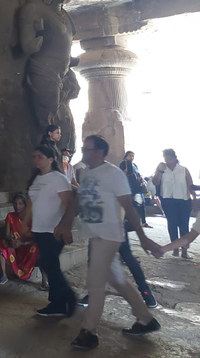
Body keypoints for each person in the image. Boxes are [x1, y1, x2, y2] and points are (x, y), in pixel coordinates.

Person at [57, 135, 162, 350]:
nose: (83, 153)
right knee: (117, 280)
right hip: (96, 235)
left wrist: (142, 237)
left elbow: (129, 207)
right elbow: (78, 201)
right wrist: (65, 223)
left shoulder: (114, 174)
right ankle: (146, 319)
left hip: (110, 235)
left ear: (99, 152)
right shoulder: (85, 174)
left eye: (87, 149)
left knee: (95, 283)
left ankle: (88, 332)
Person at [24, 145, 76, 317]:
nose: (36, 159)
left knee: (49, 264)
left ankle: (64, 299)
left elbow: (69, 204)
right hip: (39, 228)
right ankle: (60, 301)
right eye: (34, 156)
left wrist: (66, 227)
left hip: (54, 229)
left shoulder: (58, 179)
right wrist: (25, 223)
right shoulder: (36, 179)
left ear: (51, 160)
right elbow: (32, 203)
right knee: (49, 264)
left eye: (40, 156)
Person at [152, 148, 196, 258]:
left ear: (175, 158)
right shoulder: (162, 169)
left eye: (170, 159)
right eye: (166, 159)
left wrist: (194, 197)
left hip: (183, 200)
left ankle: (184, 251)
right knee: (172, 224)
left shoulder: (183, 170)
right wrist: (159, 171)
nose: (168, 161)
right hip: (168, 200)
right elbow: (155, 182)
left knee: (184, 225)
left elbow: (190, 184)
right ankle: (174, 248)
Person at [0, 193, 45, 288]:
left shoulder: (32, 218)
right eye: (15, 203)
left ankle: (45, 281)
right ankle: (4, 276)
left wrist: (22, 243)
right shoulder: (10, 216)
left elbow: (37, 238)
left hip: (29, 247)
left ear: (25, 205)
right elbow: (6, 235)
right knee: (2, 243)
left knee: (38, 247)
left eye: (20, 203)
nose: (17, 206)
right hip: (16, 246)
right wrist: (11, 241)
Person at [119, 151, 149, 228]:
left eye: (132, 156)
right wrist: (125, 172)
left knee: (141, 203)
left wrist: (140, 178)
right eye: (130, 156)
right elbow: (120, 174)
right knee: (129, 205)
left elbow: (137, 174)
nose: (131, 158)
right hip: (128, 187)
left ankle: (143, 221)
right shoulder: (123, 164)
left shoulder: (134, 165)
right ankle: (126, 221)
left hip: (136, 187)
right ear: (126, 157)